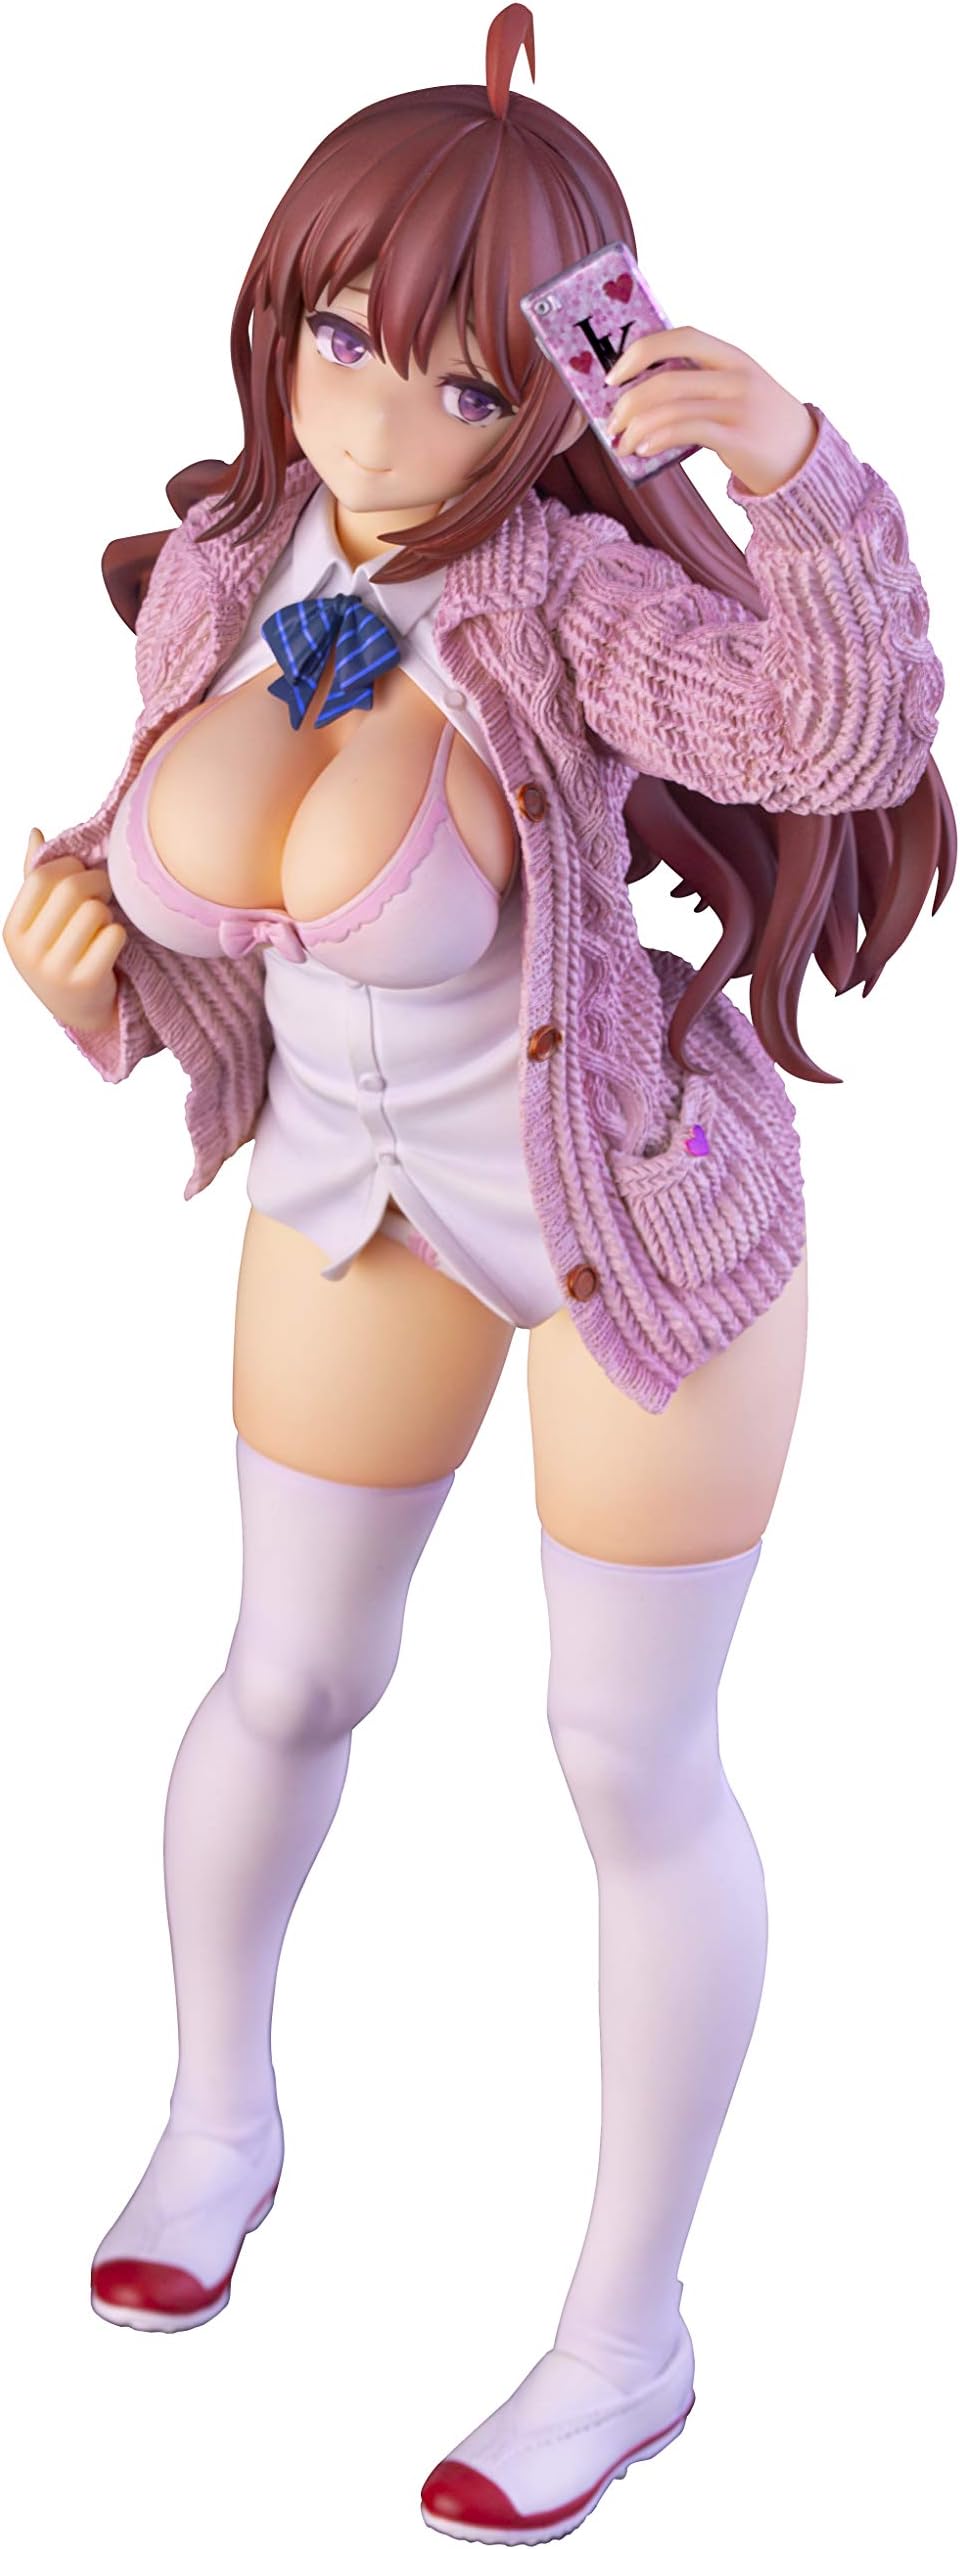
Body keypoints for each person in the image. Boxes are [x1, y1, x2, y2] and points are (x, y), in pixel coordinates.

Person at [3, 7, 951, 2540]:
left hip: (630, 1211)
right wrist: (86, 971)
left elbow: (840, 741)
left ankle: (628, 2339)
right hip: (355, 1188)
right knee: (286, 1673)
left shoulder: (567, 597)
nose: (387, 419)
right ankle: (220, 2120)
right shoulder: (236, 568)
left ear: (549, 388)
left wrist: (802, 475)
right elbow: (192, 883)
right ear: (279, 315)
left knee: (628, 1759)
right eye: (344, 339)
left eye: (460, 378)